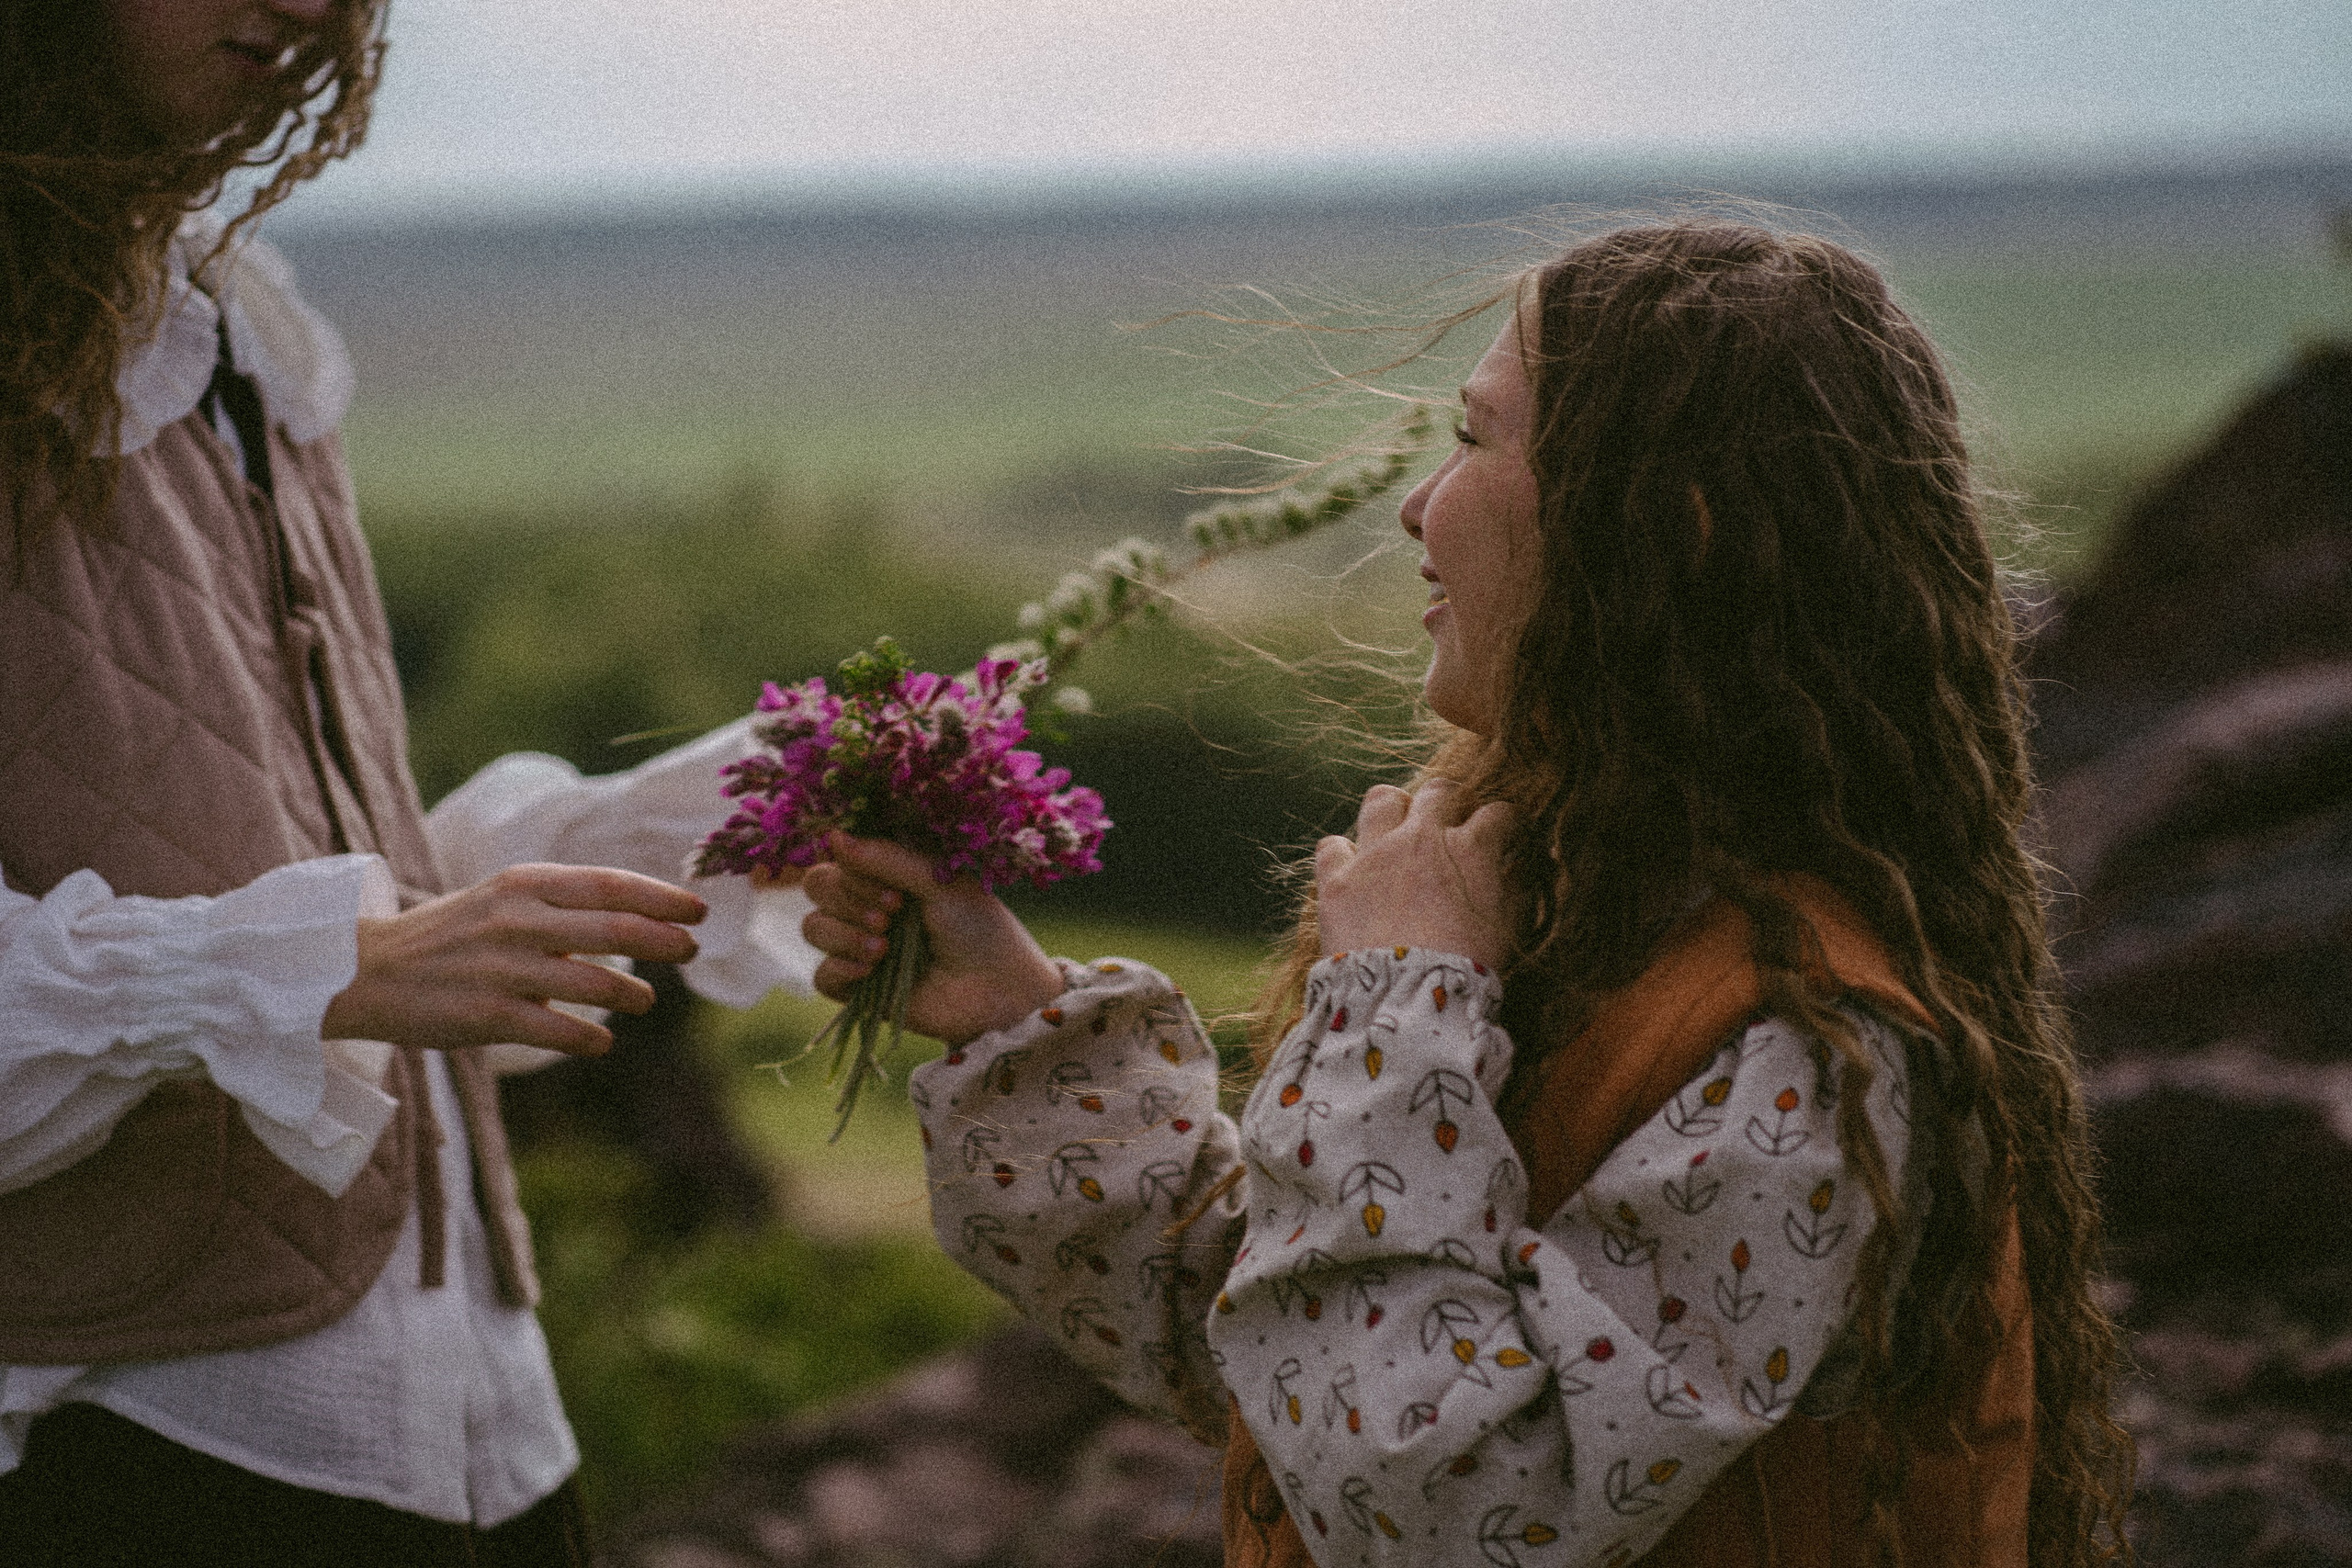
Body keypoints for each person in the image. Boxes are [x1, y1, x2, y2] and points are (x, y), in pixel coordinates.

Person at [801, 223, 2135, 1564]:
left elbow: (1445, 1512)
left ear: (1662, 534)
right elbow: (1294, 1359)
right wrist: (1018, 1027)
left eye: (1478, 439)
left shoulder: (1805, 1046)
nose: (1416, 504)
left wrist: (1396, 1004)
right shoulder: (1583, 909)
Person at [0, 2, 812, 1562]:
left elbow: (284, 858)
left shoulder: (235, 328)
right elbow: (303, 956)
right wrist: (333, 968)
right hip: (136, 1444)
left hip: (470, 1427)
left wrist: (705, 824)